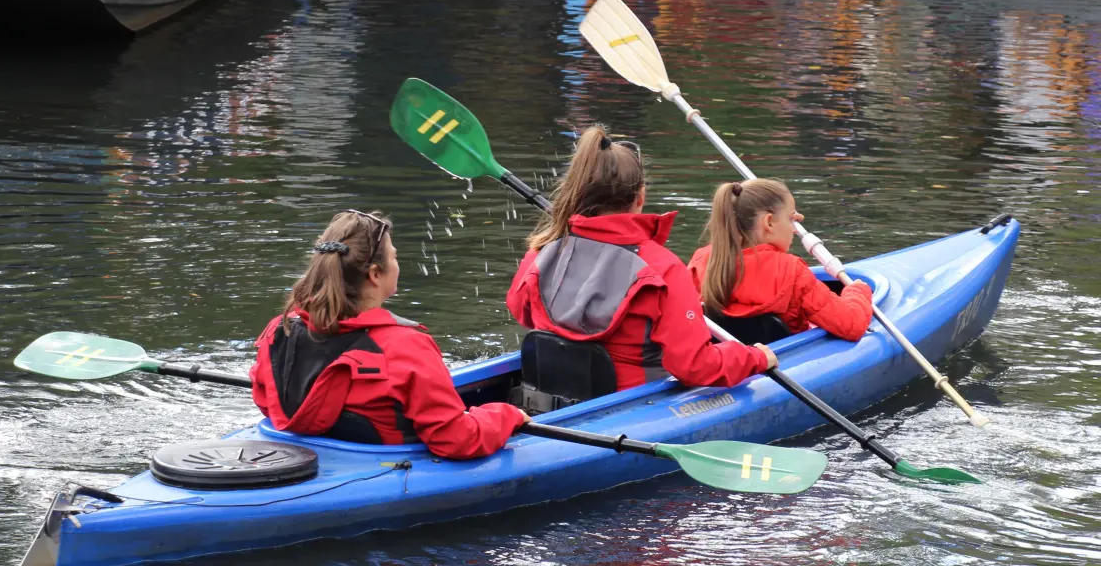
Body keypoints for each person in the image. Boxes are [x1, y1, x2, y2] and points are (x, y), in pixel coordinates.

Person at [506, 126, 776, 392]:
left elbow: (521, 311)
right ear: (640, 196)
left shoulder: (542, 252)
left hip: (545, 399)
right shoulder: (663, 268)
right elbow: (696, 366)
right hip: (628, 406)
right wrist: (754, 357)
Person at [250, 209, 529, 460]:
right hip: (384, 467)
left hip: (307, 451)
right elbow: (456, 440)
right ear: (375, 274)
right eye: (394, 257)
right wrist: (506, 415)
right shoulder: (406, 346)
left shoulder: (279, 330)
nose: (398, 264)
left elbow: (266, 401)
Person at [687, 179, 872, 341]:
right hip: (784, 360)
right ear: (768, 223)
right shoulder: (791, 270)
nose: (795, 228)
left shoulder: (700, 260)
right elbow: (852, 324)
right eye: (791, 218)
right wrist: (857, 291)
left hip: (729, 355)